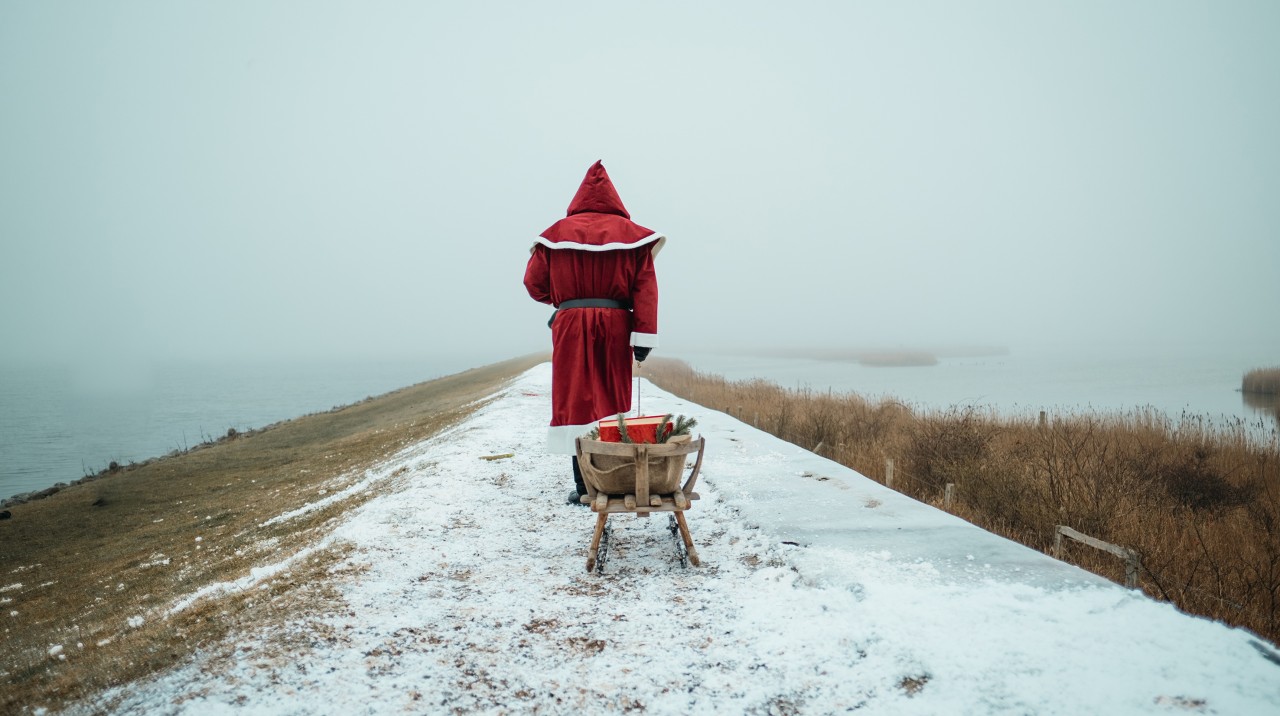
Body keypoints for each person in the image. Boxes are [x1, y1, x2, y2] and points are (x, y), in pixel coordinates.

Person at [523, 161, 664, 504]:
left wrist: (565, 301)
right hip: (616, 326)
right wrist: (642, 340)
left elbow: (533, 284)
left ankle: (584, 486)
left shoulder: (555, 236)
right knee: (610, 398)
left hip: (570, 327)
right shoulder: (633, 240)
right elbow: (646, 289)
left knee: (576, 401)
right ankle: (612, 479)